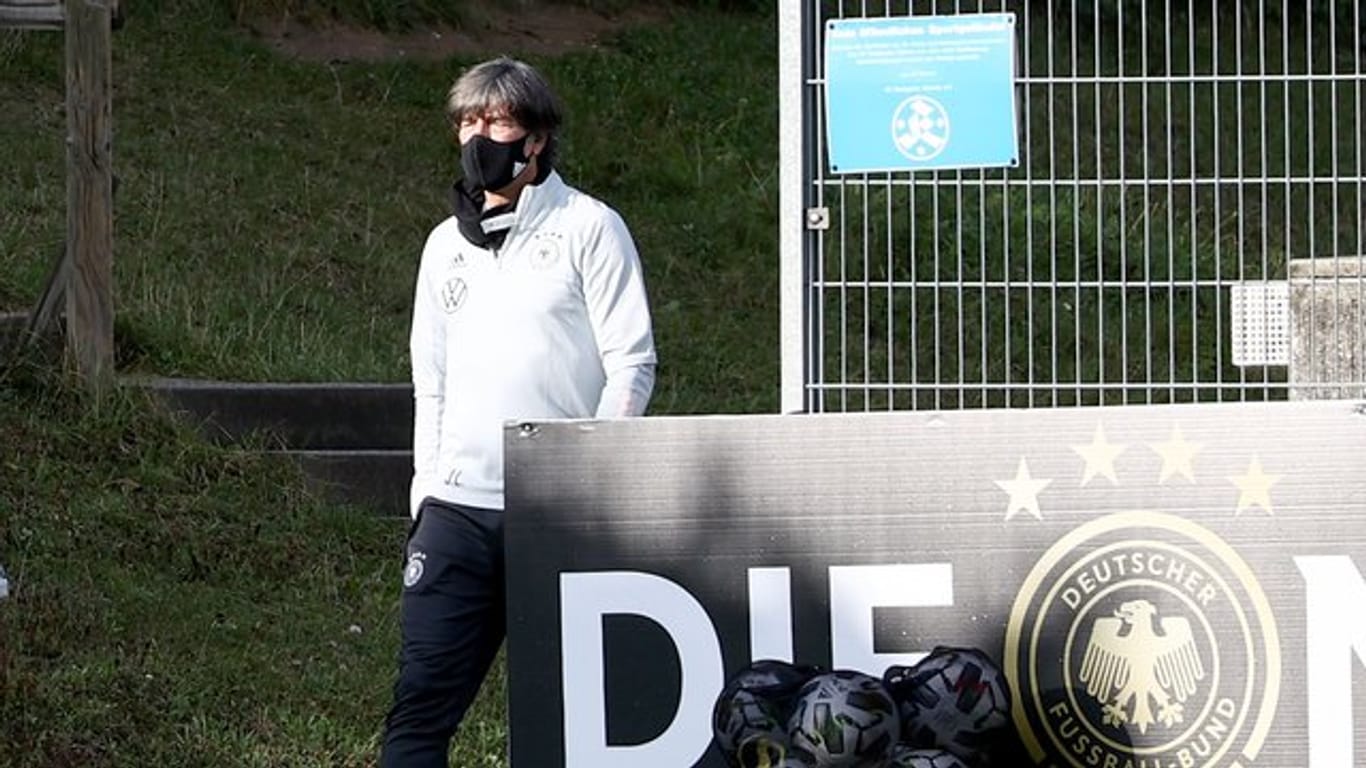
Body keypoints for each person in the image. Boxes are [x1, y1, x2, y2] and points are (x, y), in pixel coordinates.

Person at [381, 57, 657, 767]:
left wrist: (589, 478)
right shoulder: (444, 247)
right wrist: (427, 490)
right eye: (468, 121)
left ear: (535, 139)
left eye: (497, 120)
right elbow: (430, 377)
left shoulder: (591, 227)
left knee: (573, 728)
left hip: (559, 515)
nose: (480, 135)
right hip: (456, 516)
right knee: (416, 716)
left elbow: (632, 363)